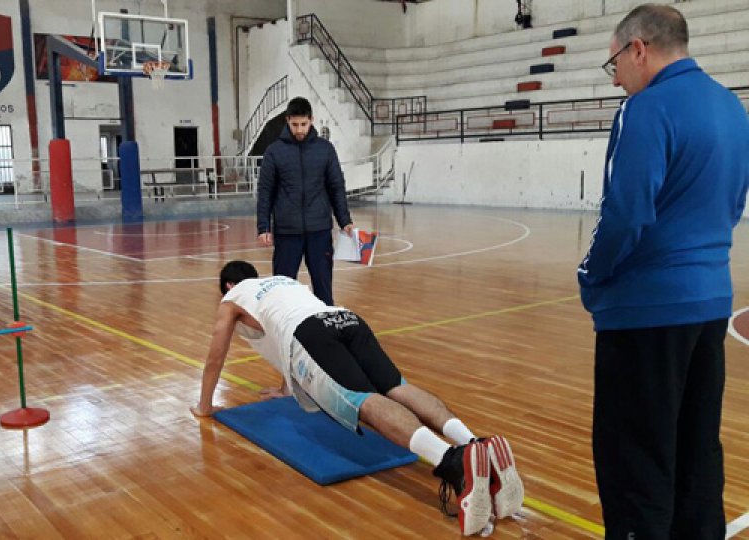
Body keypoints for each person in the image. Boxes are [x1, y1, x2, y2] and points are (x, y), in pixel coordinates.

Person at [192, 261, 524, 536]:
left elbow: (215, 356)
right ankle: (474, 443)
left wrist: (205, 407)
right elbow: (288, 330)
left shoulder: (232, 298)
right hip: (344, 318)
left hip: (309, 334)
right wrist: (284, 388)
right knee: (398, 387)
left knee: (360, 400)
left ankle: (453, 462)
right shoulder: (281, 281)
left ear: (228, 285)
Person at [579, 5, 749, 539]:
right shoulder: (732, 108)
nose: (618, 81)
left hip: (643, 314)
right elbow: (734, 202)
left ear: (638, 49)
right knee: (697, 453)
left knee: (636, 464)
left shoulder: (645, 109)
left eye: (615, 65)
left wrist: (592, 275)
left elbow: (626, 212)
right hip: (709, 305)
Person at [256, 97, 353, 307]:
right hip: (286, 232)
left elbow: (336, 186)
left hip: (319, 231)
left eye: (304, 124)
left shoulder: (325, 149)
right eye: (294, 124)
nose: (299, 129)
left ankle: (326, 333)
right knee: (282, 290)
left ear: (311, 120)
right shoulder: (274, 151)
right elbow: (265, 191)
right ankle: (282, 334)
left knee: (324, 289)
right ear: (287, 120)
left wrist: (344, 219)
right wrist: (263, 226)